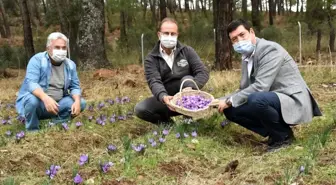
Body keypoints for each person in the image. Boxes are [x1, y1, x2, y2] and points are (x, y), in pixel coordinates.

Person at [218, 19, 322, 152]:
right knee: (231, 109)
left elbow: (260, 87)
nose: (239, 41)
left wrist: (230, 100)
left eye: (242, 35)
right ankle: (274, 132)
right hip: (272, 98)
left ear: (251, 32)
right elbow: (244, 89)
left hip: (291, 98)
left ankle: (284, 137)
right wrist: (220, 100)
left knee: (255, 99)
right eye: (234, 39)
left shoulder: (269, 49)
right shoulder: (246, 56)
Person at [134, 18, 209, 124]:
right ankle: (169, 125)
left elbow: (202, 72)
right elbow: (154, 81)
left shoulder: (187, 51)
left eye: (173, 34)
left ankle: (188, 118)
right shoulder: (151, 59)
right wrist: (163, 96)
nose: (169, 36)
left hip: (188, 97)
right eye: (166, 33)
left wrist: (191, 89)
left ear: (177, 35)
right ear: (159, 35)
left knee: (187, 79)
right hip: (168, 100)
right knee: (141, 109)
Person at [16, 32, 86, 131]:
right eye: (57, 47)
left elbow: (75, 86)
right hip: (39, 104)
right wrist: (45, 98)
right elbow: (31, 83)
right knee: (32, 100)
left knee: (82, 102)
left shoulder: (70, 65)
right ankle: (32, 130)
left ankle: (57, 125)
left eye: (63, 48)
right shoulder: (37, 60)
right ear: (48, 48)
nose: (61, 51)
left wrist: (77, 101)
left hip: (58, 105)